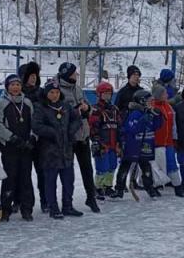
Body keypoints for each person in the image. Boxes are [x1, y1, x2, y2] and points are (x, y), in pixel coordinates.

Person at [32, 79, 82, 219]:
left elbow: (76, 120)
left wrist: (70, 131)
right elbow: (36, 125)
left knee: (68, 180)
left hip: (66, 150)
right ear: (46, 93)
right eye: (52, 92)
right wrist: (52, 132)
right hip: (49, 151)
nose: (55, 95)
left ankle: (68, 206)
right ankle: (53, 207)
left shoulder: (65, 106)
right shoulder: (40, 107)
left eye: (57, 92)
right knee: (50, 181)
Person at [56, 62, 101, 213]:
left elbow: (88, 107)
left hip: (83, 135)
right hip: (68, 137)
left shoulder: (77, 88)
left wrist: (87, 108)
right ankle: (67, 203)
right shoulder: (57, 90)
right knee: (68, 172)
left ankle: (91, 197)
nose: (76, 75)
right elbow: (58, 113)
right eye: (74, 73)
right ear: (67, 74)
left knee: (87, 168)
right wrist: (76, 110)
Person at [0, 74, 36, 222]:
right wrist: (12, 137)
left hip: (26, 147)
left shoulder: (28, 103)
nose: (15, 87)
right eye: (12, 85)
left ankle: (27, 208)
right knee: (9, 178)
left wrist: (32, 137)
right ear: (7, 87)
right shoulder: (0, 103)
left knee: (26, 178)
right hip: (10, 147)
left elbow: (33, 122)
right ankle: (5, 209)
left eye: (18, 84)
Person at [115, 90, 163, 200]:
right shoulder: (135, 114)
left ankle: (150, 188)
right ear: (142, 101)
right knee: (125, 167)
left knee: (146, 168)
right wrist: (144, 120)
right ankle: (119, 189)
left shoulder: (148, 112)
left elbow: (156, 126)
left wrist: (158, 116)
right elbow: (133, 129)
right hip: (132, 146)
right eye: (148, 101)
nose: (151, 103)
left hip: (146, 145)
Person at [19, 61, 47, 212]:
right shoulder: (18, 93)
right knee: (24, 172)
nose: (33, 78)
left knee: (42, 171)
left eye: (35, 76)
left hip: (40, 139)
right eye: (30, 76)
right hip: (23, 138)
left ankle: (45, 200)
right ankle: (22, 202)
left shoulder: (42, 93)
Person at [89, 81, 122, 199]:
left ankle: (108, 186)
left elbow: (119, 126)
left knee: (112, 165)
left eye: (109, 93)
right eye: (105, 93)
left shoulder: (114, 109)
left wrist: (120, 142)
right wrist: (96, 140)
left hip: (114, 143)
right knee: (102, 166)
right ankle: (98, 187)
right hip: (102, 143)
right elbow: (93, 127)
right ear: (99, 94)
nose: (107, 96)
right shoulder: (96, 109)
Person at [151, 81, 184, 197]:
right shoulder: (152, 107)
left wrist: (175, 138)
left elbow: (173, 124)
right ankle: (154, 186)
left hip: (168, 141)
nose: (167, 96)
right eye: (164, 94)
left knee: (172, 164)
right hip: (156, 143)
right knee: (157, 166)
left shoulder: (168, 107)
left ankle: (177, 186)